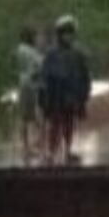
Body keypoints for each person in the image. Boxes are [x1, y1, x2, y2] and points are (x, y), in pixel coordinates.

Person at [39, 16, 93, 165]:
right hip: (56, 96)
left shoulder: (77, 54)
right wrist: (44, 97)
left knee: (69, 123)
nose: (68, 37)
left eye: (70, 33)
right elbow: (45, 77)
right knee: (55, 124)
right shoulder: (51, 54)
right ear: (60, 35)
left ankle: (67, 150)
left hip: (71, 96)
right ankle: (52, 152)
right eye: (65, 33)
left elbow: (84, 75)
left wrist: (84, 93)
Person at [15, 28, 46, 164]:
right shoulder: (30, 52)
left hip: (23, 83)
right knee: (35, 116)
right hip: (31, 85)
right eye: (37, 36)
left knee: (25, 117)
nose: (39, 39)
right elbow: (40, 65)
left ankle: (27, 147)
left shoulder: (21, 50)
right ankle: (37, 145)